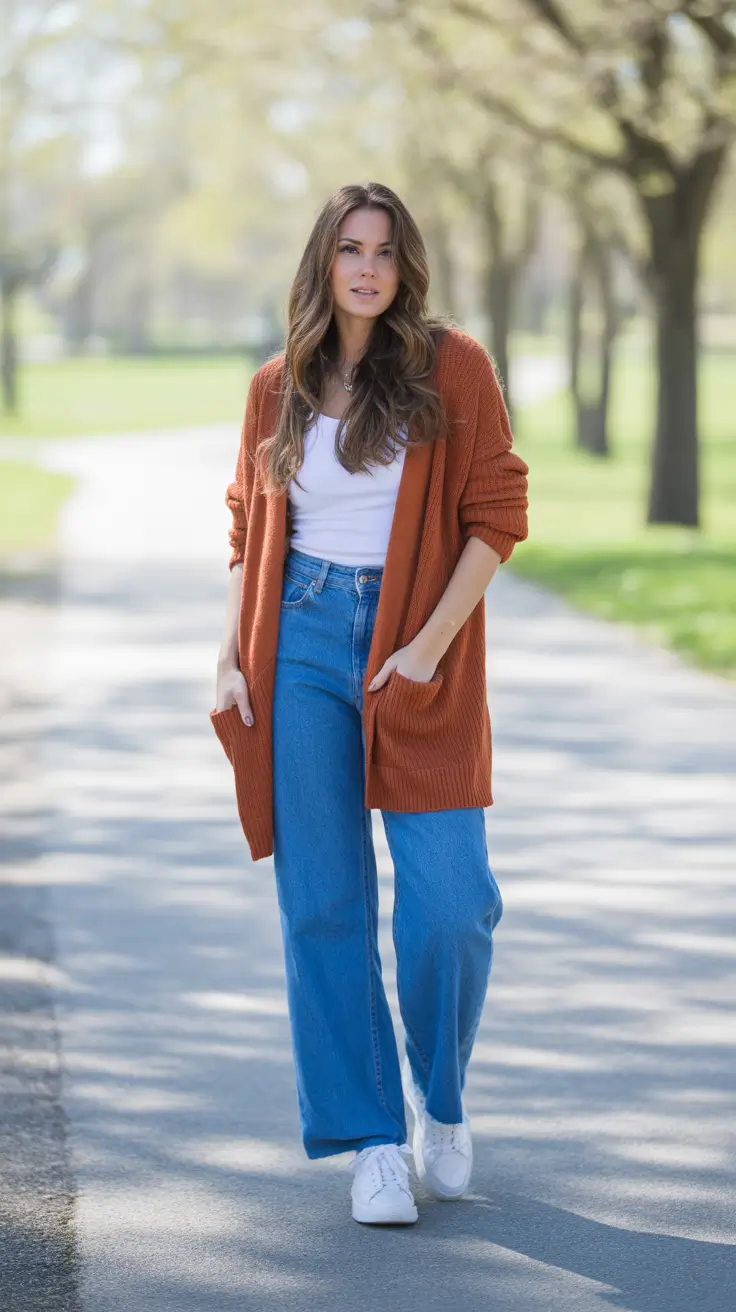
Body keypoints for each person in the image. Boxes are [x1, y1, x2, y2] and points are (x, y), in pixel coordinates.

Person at [212, 181, 528, 1226]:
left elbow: (496, 515)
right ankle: (373, 1141)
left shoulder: (453, 367)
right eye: (350, 248)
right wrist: (229, 658)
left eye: (384, 251)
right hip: (299, 642)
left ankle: (440, 1099)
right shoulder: (278, 385)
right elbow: (248, 532)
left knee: (453, 903)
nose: (366, 267)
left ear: (405, 266)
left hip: (416, 647)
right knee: (322, 903)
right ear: (323, 261)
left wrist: (426, 651)